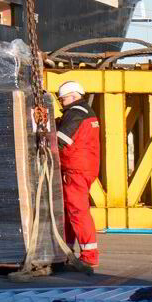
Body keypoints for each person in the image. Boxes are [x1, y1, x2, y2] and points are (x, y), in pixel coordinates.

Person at [53, 80, 101, 270]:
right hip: (84, 167)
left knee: (77, 211)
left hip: (76, 169)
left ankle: (89, 256)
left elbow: (60, 140)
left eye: (63, 99)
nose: (61, 103)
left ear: (73, 96)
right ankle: (68, 251)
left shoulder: (75, 113)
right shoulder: (85, 112)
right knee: (70, 211)